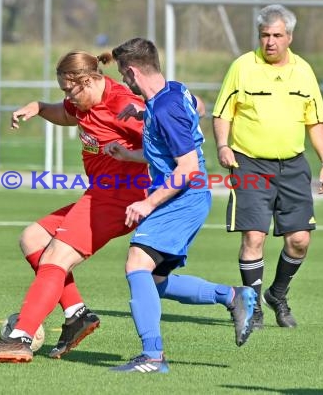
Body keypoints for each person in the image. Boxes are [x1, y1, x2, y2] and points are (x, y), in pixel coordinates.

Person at [0, 50, 150, 363]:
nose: (68, 97)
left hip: (122, 197)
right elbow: (65, 114)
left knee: (55, 256)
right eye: (63, 91)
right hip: (100, 194)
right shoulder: (83, 102)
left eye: (70, 90)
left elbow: (169, 146)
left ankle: (19, 338)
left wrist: (137, 161)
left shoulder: (123, 105)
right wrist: (38, 108)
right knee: (33, 239)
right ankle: (77, 314)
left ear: (91, 80)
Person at [104, 37, 257, 374]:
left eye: (123, 75)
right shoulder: (175, 91)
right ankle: (233, 296)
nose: (124, 82)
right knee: (155, 280)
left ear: (132, 71)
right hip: (185, 195)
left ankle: (152, 357)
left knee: (136, 265)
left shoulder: (164, 107)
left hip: (182, 196)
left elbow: (186, 167)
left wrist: (147, 203)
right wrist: (132, 149)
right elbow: (197, 109)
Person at [212, 4, 323, 329]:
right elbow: (222, 113)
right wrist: (223, 146)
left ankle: (277, 294)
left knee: (299, 240)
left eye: (277, 35)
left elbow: (315, 121)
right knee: (254, 235)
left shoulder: (304, 71)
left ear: (289, 37)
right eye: (265, 35)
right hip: (250, 164)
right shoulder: (242, 67)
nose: (270, 42)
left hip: (293, 166)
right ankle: (252, 308)